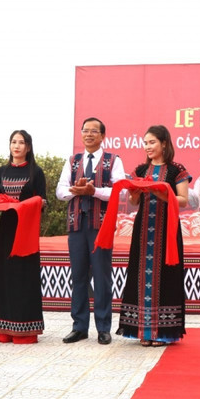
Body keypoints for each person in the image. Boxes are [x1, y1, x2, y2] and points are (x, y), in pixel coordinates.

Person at [118, 125, 190, 347]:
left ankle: (163, 332)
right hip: (143, 229)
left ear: (164, 144)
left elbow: (183, 200)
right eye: (145, 143)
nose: (148, 147)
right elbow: (133, 203)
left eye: (152, 142)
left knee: (166, 276)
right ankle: (142, 329)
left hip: (167, 230)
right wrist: (134, 193)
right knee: (140, 274)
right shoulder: (140, 170)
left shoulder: (176, 170)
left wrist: (162, 192)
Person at [56, 117, 125, 346]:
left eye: (94, 131)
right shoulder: (73, 160)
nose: (89, 134)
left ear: (103, 136)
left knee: (102, 276)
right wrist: (76, 191)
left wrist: (93, 191)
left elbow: (120, 191)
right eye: (85, 130)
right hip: (76, 225)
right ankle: (79, 327)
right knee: (78, 276)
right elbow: (60, 191)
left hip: (101, 225)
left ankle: (104, 328)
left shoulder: (113, 160)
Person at [0, 130, 47, 343]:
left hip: (26, 229)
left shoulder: (36, 172)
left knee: (24, 276)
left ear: (29, 147)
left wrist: (24, 205)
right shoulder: (1, 171)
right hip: (6, 228)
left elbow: (43, 201)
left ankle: (25, 329)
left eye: (21, 142)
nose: (17, 146)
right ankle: (2, 328)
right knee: (4, 276)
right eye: (13, 142)